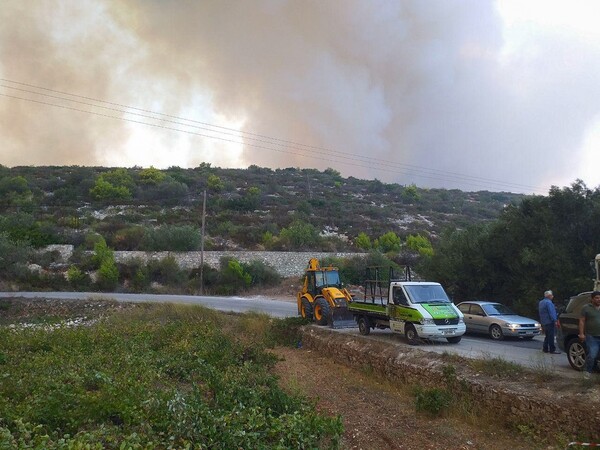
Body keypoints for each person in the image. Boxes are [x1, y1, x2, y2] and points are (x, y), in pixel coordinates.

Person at [578, 290, 600, 379]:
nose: (599, 300)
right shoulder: (586, 308)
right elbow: (582, 321)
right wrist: (581, 334)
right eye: (597, 298)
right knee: (592, 354)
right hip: (591, 336)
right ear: (592, 299)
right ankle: (588, 371)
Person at [538, 290, 560, 354]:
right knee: (551, 336)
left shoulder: (541, 302)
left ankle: (545, 348)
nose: (553, 296)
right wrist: (555, 320)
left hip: (544, 321)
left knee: (547, 335)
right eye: (552, 295)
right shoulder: (549, 303)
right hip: (549, 321)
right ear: (549, 296)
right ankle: (552, 349)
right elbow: (552, 312)